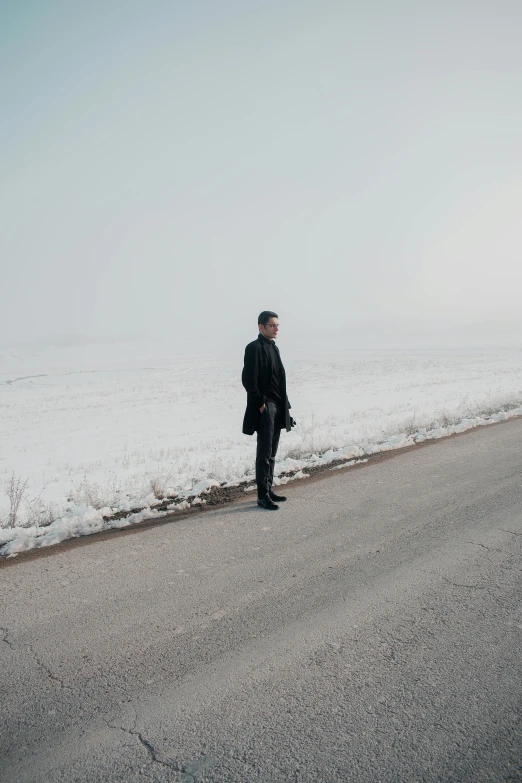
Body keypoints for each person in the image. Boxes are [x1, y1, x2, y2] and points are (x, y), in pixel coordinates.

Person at [242, 311, 295, 510]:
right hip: (266, 407)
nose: (276, 328)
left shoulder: (274, 347)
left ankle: (269, 490)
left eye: (277, 325)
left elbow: (278, 380)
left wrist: (286, 406)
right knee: (263, 453)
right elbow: (248, 380)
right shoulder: (253, 348)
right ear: (261, 327)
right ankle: (262, 496)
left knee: (272, 453)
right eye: (272, 325)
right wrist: (261, 404)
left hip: (278, 406)